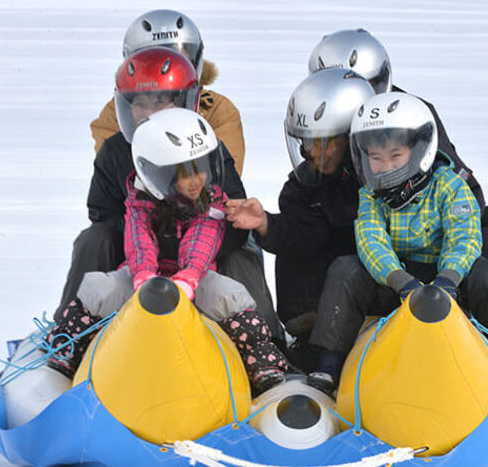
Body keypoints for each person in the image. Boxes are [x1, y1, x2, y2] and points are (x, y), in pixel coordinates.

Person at [306, 93, 488, 395]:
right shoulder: (370, 196)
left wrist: (449, 279)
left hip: (452, 281)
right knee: (345, 269)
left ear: (419, 150)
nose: (385, 166)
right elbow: (371, 242)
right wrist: (402, 283)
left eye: (395, 156)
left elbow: (464, 237)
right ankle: (328, 363)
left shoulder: (450, 185)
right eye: (375, 158)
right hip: (397, 283)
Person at [53, 46, 285, 344]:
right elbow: (103, 213)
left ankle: (267, 343)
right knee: (93, 238)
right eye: (140, 103)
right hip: (136, 258)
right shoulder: (114, 151)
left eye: (160, 101)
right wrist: (151, 240)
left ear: (182, 103)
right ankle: (67, 337)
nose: (150, 111)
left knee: (243, 247)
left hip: (202, 259)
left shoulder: (206, 147)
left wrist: (188, 253)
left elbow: (229, 212)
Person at [48, 108, 288, 395]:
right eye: (186, 173)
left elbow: (202, 240)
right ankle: (67, 347)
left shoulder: (210, 202)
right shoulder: (138, 203)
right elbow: (139, 242)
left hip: (194, 278)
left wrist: (187, 279)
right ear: (158, 175)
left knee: (230, 297)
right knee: (99, 289)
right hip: (144, 279)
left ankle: (262, 362)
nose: (197, 179)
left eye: (201, 167)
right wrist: (145, 278)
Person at [308, 29, 488, 324]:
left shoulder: (412, 117)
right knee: (311, 239)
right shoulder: (324, 120)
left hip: (433, 232)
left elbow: (459, 183)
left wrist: (436, 230)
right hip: (366, 231)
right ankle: (311, 331)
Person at [225, 69, 375, 372]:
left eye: (324, 143)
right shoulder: (302, 186)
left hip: (380, 290)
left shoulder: (385, 175)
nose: (313, 153)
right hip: (319, 306)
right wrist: (267, 224)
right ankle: (312, 340)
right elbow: (303, 235)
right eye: (308, 143)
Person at [91, 9, 245, 175]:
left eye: (179, 59)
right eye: (152, 61)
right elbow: (113, 176)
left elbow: (222, 178)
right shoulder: (114, 115)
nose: (165, 68)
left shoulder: (216, 110)